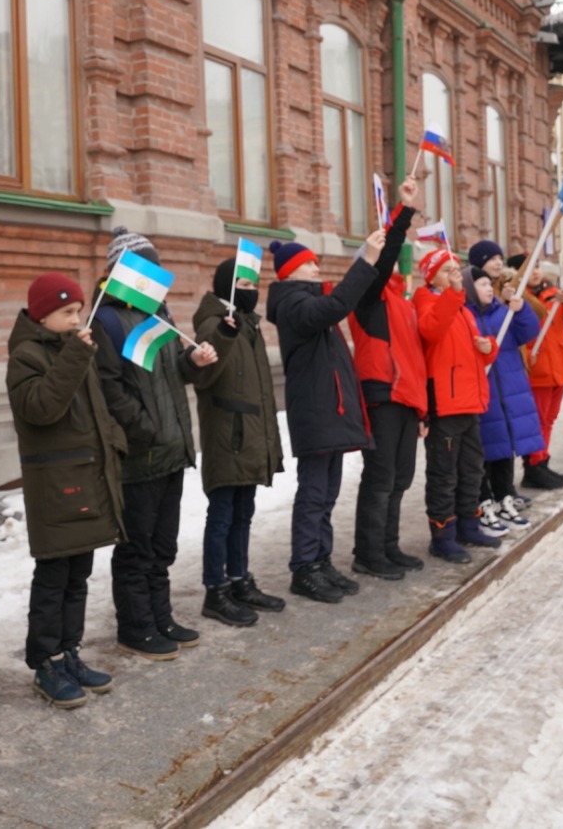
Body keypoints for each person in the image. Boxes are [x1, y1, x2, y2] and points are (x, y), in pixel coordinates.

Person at [92, 228, 218, 660]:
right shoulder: (107, 321)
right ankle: (135, 628)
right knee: (137, 549)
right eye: (142, 269)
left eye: (154, 268)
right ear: (121, 273)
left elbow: (169, 373)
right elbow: (109, 389)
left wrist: (192, 361)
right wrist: (145, 429)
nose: (151, 277)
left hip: (171, 451)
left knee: (163, 547)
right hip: (139, 454)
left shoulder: (158, 313)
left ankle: (160, 618)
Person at [6, 273, 126, 708]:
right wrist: (75, 356)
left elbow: (96, 411)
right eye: (68, 312)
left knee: (79, 576)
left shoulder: (76, 349)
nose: (77, 319)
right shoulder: (26, 356)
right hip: (56, 488)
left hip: (88, 479)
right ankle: (46, 662)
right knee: (54, 578)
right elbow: (41, 408)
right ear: (43, 315)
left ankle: (69, 652)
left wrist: (115, 444)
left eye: (78, 311)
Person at [267, 230, 385, 603]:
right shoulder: (293, 304)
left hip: (329, 412)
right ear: (289, 272)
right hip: (315, 414)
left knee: (328, 493)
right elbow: (337, 305)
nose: (317, 269)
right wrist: (366, 260)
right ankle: (304, 568)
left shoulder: (308, 301)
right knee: (314, 493)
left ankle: (321, 560)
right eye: (309, 264)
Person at [191, 256, 286, 626]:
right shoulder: (214, 323)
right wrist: (224, 334)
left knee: (243, 513)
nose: (252, 292)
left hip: (249, 436)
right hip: (227, 437)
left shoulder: (248, 323)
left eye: (253, 286)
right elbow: (204, 374)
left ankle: (238, 579)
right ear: (226, 288)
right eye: (244, 286)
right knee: (222, 516)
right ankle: (215, 590)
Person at [348, 179, 429, 581]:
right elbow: (383, 261)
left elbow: (415, 359)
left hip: (407, 399)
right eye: (383, 257)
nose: (393, 261)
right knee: (380, 480)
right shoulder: (368, 294)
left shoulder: (403, 302)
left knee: (400, 479)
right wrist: (404, 212)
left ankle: (388, 546)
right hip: (382, 394)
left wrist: (423, 408)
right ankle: (368, 553)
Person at [413, 248, 500, 563]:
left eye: (455, 268)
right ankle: (442, 537)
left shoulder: (462, 309)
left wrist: (489, 348)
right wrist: (453, 294)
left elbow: (476, 354)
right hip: (445, 405)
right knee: (444, 475)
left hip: (470, 402)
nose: (454, 274)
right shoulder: (427, 301)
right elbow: (431, 330)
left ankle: (468, 526)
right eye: (446, 269)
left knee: (471, 470)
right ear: (432, 276)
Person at [466, 269, 543, 532]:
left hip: (510, 392)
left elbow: (528, 332)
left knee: (505, 448)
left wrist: (520, 311)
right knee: (486, 451)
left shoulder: (503, 312)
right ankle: (484, 503)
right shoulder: (465, 315)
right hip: (484, 394)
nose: (490, 288)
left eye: (490, 284)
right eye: (482, 284)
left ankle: (504, 498)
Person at [523, 263, 563, 485]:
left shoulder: (554, 293)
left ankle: (542, 461)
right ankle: (534, 466)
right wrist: (528, 354)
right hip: (538, 369)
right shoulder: (521, 298)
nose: (534, 272)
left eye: (536, 267)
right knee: (538, 421)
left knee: (549, 419)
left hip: (560, 368)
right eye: (528, 269)